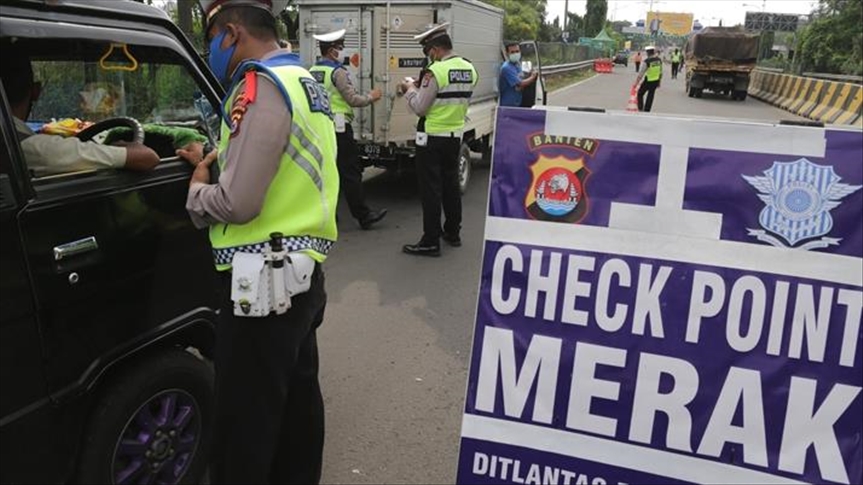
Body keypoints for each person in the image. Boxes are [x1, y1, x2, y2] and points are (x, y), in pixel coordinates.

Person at [180, 0, 335, 483]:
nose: (211, 50)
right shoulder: (303, 80)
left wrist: (197, 192)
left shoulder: (260, 85)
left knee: (243, 428)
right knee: (296, 413)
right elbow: (284, 160)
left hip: (261, 286)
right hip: (301, 275)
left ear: (232, 33)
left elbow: (239, 202)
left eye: (211, 39)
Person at [0, 46, 159, 177]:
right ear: (36, 91)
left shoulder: (25, 144)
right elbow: (146, 158)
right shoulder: (32, 148)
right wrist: (122, 148)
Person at [397, 23, 477, 256]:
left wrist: (410, 89)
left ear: (434, 49)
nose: (428, 56)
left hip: (431, 139)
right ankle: (453, 232)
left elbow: (420, 108)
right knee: (451, 186)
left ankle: (431, 241)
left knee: (431, 190)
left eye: (428, 51)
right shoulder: (469, 68)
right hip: (454, 136)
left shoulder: (435, 72)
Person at [309, 29, 387, 230]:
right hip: (339, 128)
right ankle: (363, 215)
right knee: (350, 172)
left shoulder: (312, 71)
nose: (342, 51)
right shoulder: (338, 72)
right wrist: (371, 97)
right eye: (340, 47)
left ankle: (328, 215)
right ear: (332, 51)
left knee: (326, 171)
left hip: (320, 127)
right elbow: (352, 99)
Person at [498, 41, 537, 107]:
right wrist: (533, 77)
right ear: (507, 54)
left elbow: (521, 78)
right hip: (508, 105)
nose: (515, 54)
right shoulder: (507, 68)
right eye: (512, 52)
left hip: (517, 103)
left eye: (517, 51)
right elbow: (520, 83)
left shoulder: (517, 65)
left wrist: (529, 74)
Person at [635, 45, 662, 112]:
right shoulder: (659, 60)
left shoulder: (647, 61)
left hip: (648, 80)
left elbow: (641, 73)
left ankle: (641, 108)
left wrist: (636, 83)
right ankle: (647, 110)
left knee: (640, 93)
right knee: (651, 95)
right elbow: (660, 72)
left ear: (648, 53)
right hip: (656, 80)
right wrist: (659, 82)